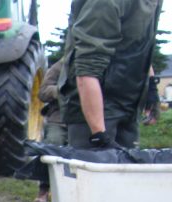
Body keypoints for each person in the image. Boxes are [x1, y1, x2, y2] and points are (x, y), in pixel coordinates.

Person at [59, 0, 163, 149]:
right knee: (96, 169)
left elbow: (140, 47)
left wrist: (151, 87)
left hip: (129, 106)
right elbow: (87, 67)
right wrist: (99, 135)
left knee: (129, 169)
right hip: (95, 109)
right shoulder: (106, 2)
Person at [34, 58, 66, 202]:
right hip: (59, 118)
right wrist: (62, 90)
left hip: (87, 120)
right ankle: (44, 189)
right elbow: (43, 92)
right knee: (52, 145)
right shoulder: (62, 65)